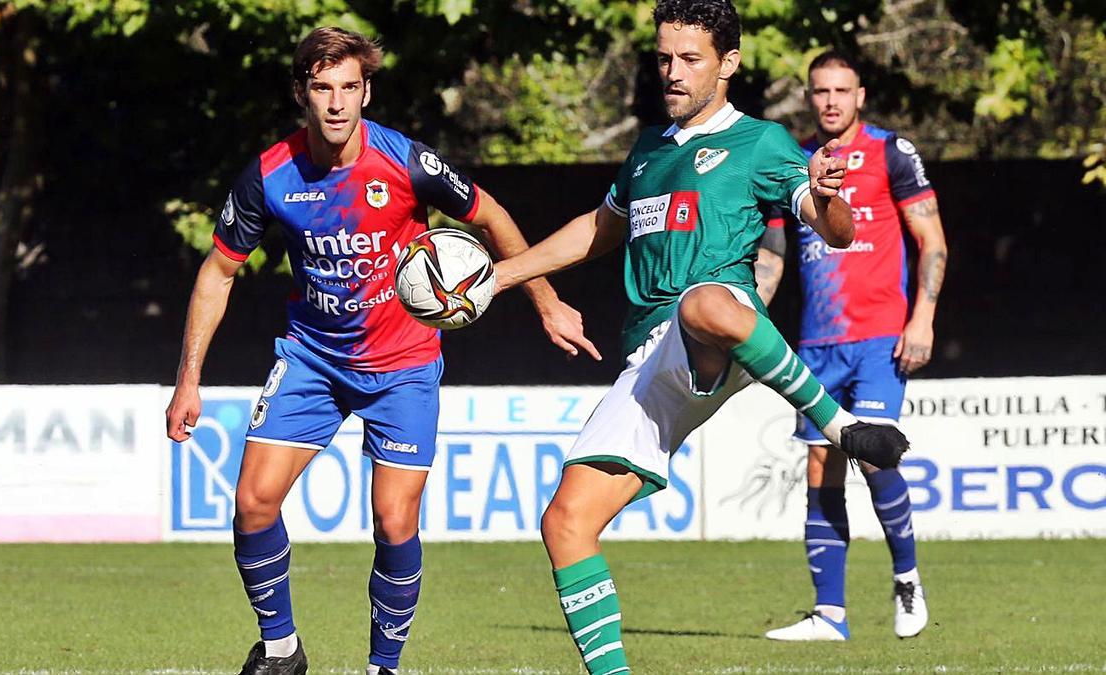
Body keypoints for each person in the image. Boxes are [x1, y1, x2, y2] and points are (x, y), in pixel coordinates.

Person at [164, 27, 598, 675]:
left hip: (404, 364)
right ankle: (281, 648)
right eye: (322, 88)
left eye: (349, 88)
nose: (337, 103)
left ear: (366, 91)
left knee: (394, 520)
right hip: (312, 358)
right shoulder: (269, 176)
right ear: (301, 94)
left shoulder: (406, 162)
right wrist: (188, 378)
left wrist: (545, 301)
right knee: (253, 501)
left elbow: (492, 216)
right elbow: (217, 273)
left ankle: (383, 667)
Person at [492, 2, 910, 672]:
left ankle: (839, 426)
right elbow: (600, 229)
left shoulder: (763, 143)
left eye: (690, 59)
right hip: (648, 359)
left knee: (704, 300)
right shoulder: (651, 148)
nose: (673, 71)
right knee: (566, 523)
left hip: (721, 322)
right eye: (664, 57)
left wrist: (828, 193)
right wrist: (498, 275)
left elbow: (836, 231)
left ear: (729, 63)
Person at [757, 51, 947, 641]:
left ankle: (907, 578)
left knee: (874, 453)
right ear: (810, 97)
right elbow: (772, 257)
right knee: (821, 465)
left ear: (860, 95)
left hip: (880, 338)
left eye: (842, 90)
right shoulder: (795, 161)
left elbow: (931, 240)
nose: (831, 101)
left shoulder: (892, 152)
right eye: (821, 91)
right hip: (817, 344)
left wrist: (925, 318)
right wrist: (747, 319)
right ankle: (829, 615)